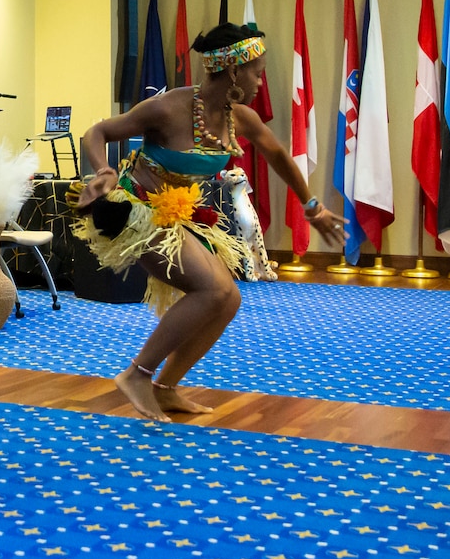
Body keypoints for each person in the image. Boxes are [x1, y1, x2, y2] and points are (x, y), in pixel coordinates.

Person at [73, 22, 344, 422]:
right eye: (256, 71)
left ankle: (165, 388)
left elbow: (279, 156)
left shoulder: (239, 118)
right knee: (211, 289)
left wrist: (314, 207)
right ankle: (137, 374)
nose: (260, 80)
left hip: (179, 215)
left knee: (228, 299)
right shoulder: (168, 108)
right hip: (137, 211)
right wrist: (103, 172)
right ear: (233, 69)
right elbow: (96, 132)